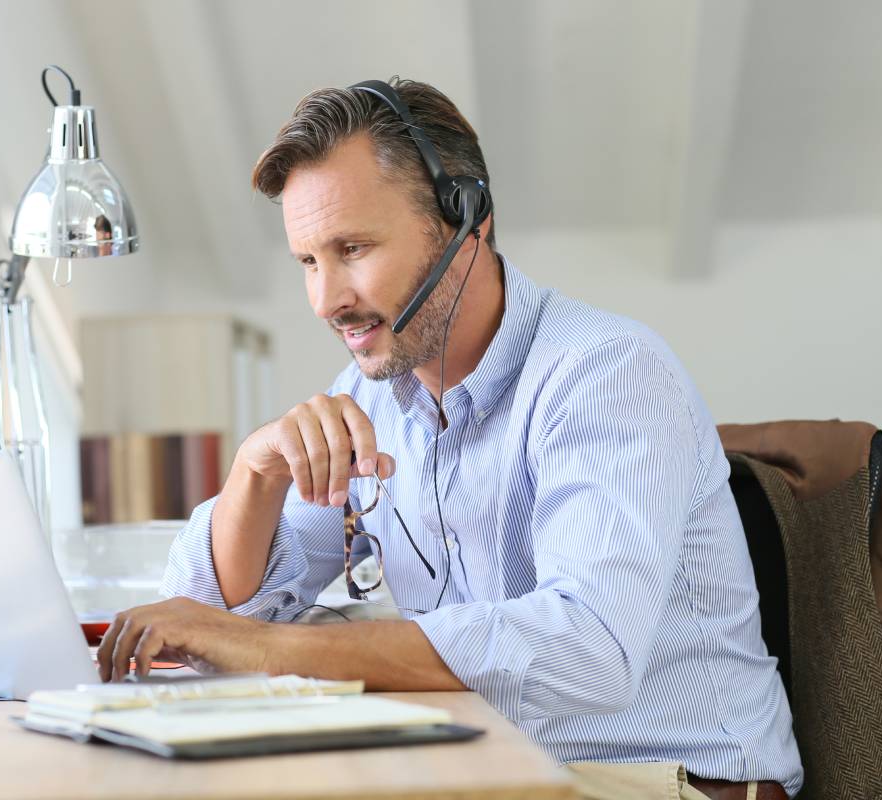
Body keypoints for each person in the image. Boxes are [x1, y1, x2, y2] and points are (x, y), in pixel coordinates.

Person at [96, 77, 802, 799]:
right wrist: (255, 474)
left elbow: (589, 651)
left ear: (468, 219)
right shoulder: (369, 397)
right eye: (309, 262)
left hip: (664, 781)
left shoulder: (605, 373)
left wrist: (280, 649)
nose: (326, 299)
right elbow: (202, 624)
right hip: (493, 768)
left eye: (352, 248)